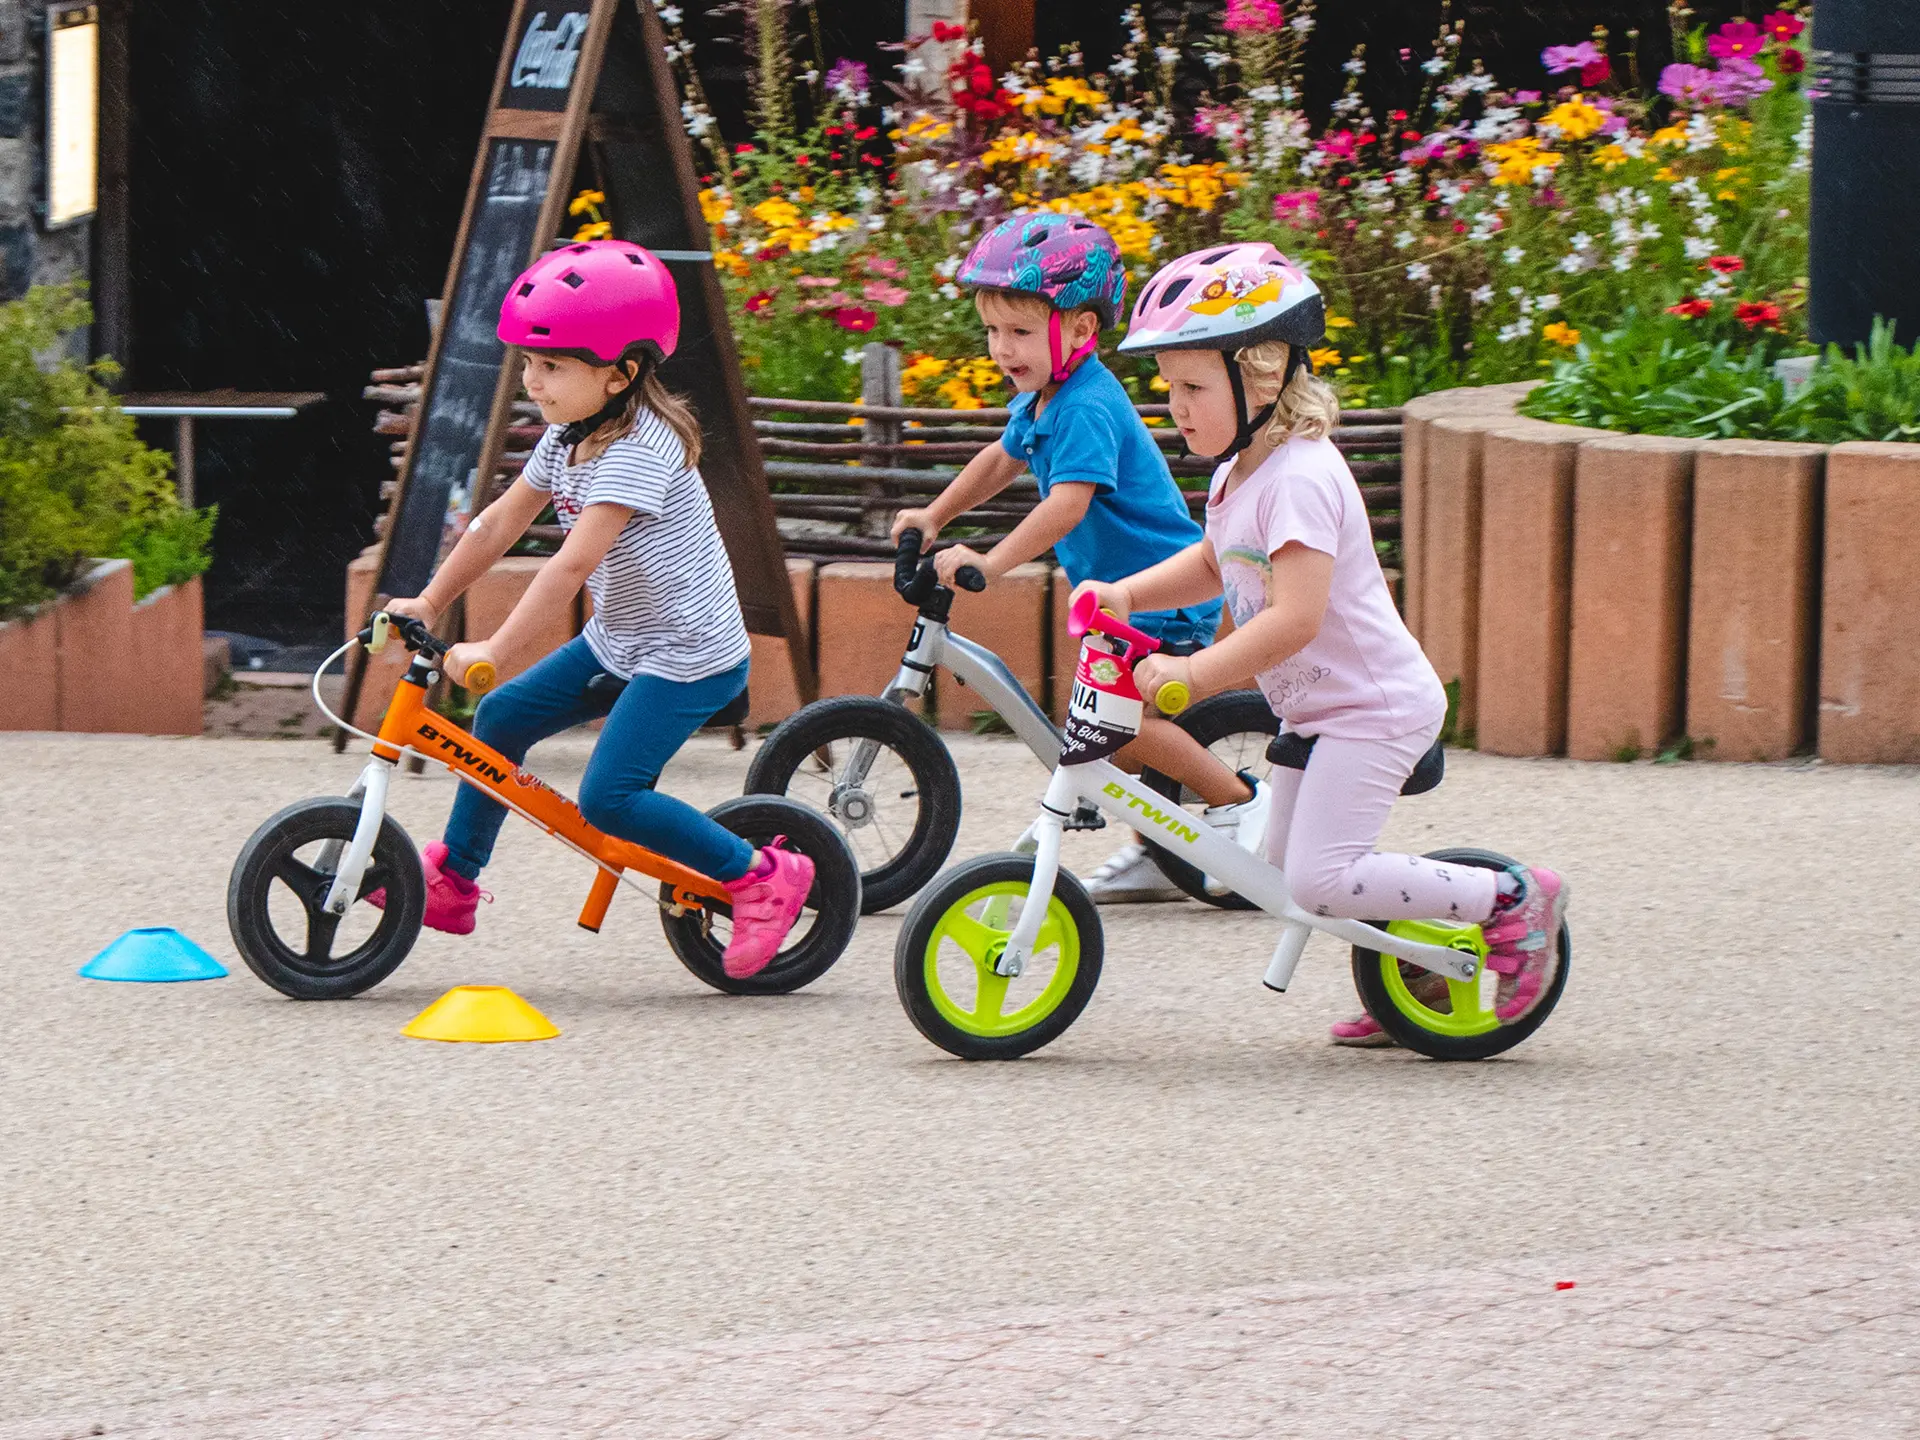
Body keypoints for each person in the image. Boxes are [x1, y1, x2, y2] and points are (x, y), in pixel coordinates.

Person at [1074, 243, 1569, 1043]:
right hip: (1319, 712)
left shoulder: (1301, 477)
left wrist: (1192, 677)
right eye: (1170, 386)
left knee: (1320, 876)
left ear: (1262, 377)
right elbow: (1215, 561)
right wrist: (1128, 593)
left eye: (1193, 386)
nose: (1176, 405)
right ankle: (1416, 972)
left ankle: (1512, 899)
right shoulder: (1240, 473)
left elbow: (1295, 618)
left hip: (1373, 709)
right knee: (1283, 872)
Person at [375, 239, 812, 978]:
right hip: (622, 640)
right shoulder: (570, 435)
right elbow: (499, 523)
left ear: (621, 373)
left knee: (610, 798)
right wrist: (430, 598)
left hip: (688, 656)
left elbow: (572, 561)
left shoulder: (645, 447)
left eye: (551, 365)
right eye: (527, 362)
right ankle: (455, 882)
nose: (532, 380)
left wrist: (495, 649)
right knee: (502, 719)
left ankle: (761, 876)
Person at [889, 211, 1269, 903]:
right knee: (1109, 731)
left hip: (1161, 591)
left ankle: (1241, 802)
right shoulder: (1044, 398)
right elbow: (1000, 461)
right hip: (1119, 594)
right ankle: (1161, 849)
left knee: (1123, 727)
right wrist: (935, 514)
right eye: (994, 331)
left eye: (1022, 331)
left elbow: (1068, 503)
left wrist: (993, 563)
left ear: (1083, 330)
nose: (1003, 348)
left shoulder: (1088, 403)